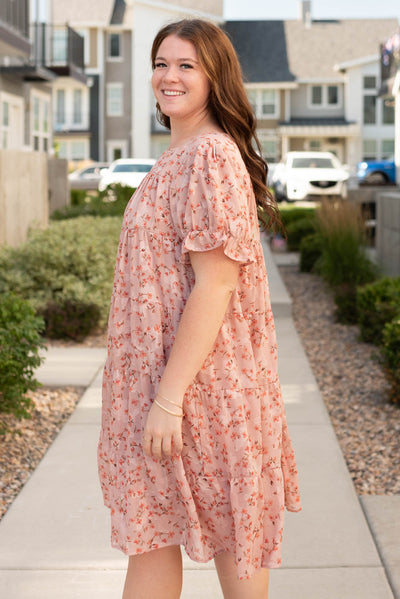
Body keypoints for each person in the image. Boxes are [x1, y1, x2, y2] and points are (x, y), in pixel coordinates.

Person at [98, 18, 301, 599]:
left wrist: (169, 399)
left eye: (186, 65)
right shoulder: (176, 156)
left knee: (235, 546)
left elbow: (216, 285)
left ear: (216, 76)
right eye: (162, 63)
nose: (169, 76)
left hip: (201, 392)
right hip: (155, 390)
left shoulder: (211, 156)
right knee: (151, 539)